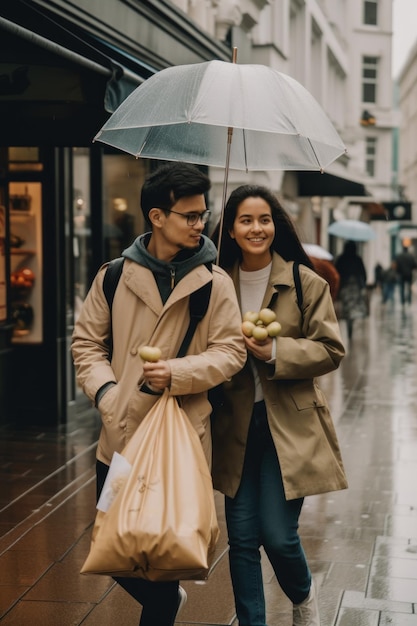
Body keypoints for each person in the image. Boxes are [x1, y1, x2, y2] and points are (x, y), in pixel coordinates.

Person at [71, 162, 247, 626]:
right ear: (156, 216)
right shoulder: (112, 276)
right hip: (120, 439)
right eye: (189, 215)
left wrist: (180, 372)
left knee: (165, 569)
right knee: (112, 543)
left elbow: (231, 352)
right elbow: (87, 345)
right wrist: (108, 394)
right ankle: (165, 602)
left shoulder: (215, 283)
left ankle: (166, 604)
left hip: (181, 442)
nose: (199, 224)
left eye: (203, 215)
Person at [211, 185, 348, 626]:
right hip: (233, 425)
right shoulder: (214, 284)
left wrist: (275, 353)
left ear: (276, 225)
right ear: (230, 229)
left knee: (278, 535)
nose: (256, 228)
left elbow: (331, 349)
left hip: (288, 425)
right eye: (246, 220)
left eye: (264, 219)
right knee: (243, 538)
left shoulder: (306, 283)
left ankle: (303, 597)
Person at [334, 240, 368, 340]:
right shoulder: (358, 259)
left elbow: (336, 272)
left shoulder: (341, 259)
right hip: (355, 287)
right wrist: (363, 285)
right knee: (353, 307)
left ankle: (347, 322)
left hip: (344, 286)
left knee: (346, 306)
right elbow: (363, 273)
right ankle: (350, 324)